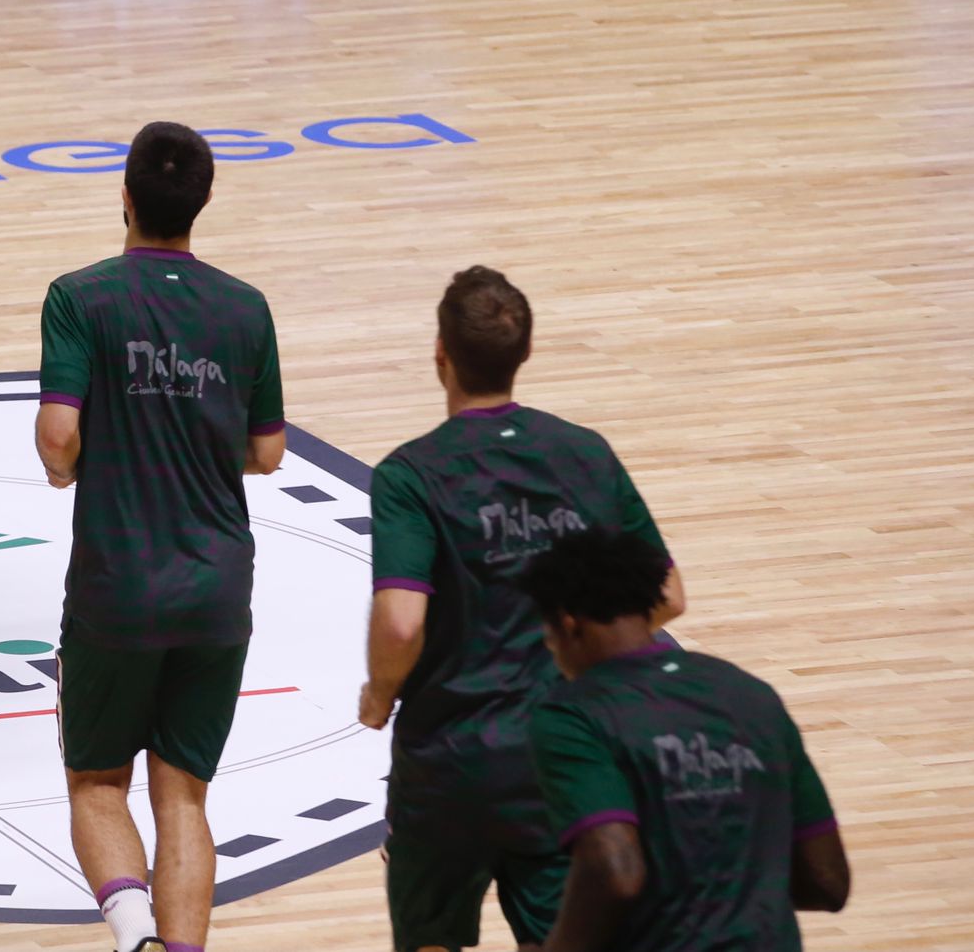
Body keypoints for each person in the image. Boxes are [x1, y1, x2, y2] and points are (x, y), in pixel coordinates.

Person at [360, 266, 688, 952]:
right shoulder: (585, 454)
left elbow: (400, 622)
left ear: (440, 355)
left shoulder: (410, 474)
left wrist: (381, 692)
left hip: (447, 765)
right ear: (525, 354)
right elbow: (666, 596)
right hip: (558, 756)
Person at [34, 124, 286, 952]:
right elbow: (268, 450)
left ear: (126, 196)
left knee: (98, 784)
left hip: (118, 585)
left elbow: (58, 435)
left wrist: (72, 468)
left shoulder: (82, 297)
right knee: (183, 800)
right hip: (217, 589)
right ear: (202, 202)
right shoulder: (246, 308)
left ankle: (134, 931)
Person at [521, 528, 850, 950]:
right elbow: (828, 881)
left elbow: (614, 871)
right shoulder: (750, 694)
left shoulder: (574, 715)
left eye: (548, 638)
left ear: (568, 623)